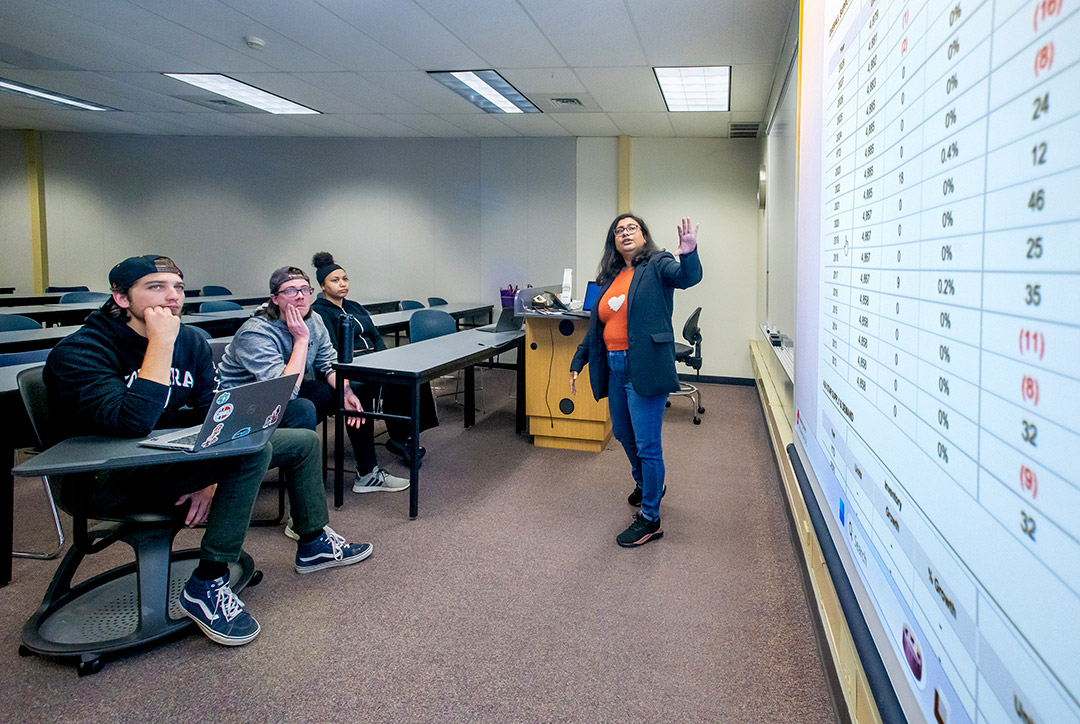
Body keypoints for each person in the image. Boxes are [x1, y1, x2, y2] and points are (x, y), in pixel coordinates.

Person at [44, 255, 372, 648]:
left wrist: (208, 476)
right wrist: (161, 343)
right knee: (251, 454)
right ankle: (208, 582)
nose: (171, 298)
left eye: (177, 287)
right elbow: (132, 423)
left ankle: (314, 541)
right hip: (105, 473)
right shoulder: (81, 352)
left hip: (172, 455)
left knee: (301, 441)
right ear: (119, 297)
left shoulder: (190, 341)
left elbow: (212, 414)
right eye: (155, 287)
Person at [216, 265, 409, 494]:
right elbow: (284, 393)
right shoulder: (256, 332)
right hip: (244, 406)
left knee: (356, 389)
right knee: (303, 408)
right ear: (275, 299)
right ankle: (307, 491)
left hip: (283, 391)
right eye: (290, 291)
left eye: (304, 290)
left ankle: (367, 474)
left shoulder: (313, 319)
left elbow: (328, 364)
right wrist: (300, 340)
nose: (299, 296)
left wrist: (346, 393)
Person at [570, 215, 702, 547]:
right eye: (618, 230)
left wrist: (689, 253)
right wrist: (578, 361)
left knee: (647, 444)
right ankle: (647, 482)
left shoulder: (659, 264)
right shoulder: (609, 277)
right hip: (614, 367)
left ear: (644, 236)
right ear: (613, 241)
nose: (625, 233)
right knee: (624, 435)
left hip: (645, 365)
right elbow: (596, 327)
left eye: (632, 228)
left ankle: (650, 518)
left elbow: (687, 277)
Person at [309, 251, 438, 466]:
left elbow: (376, 336)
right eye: (335, 280)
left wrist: (385, 357)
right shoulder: (320, 312)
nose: (342, 284)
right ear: (323, 286)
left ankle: (406, 438)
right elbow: (331, 349)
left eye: (345, 279)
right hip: (348, 369)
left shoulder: (355, 307)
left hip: (373, 363)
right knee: (375, 387)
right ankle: (391, 446)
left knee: (415, 375)